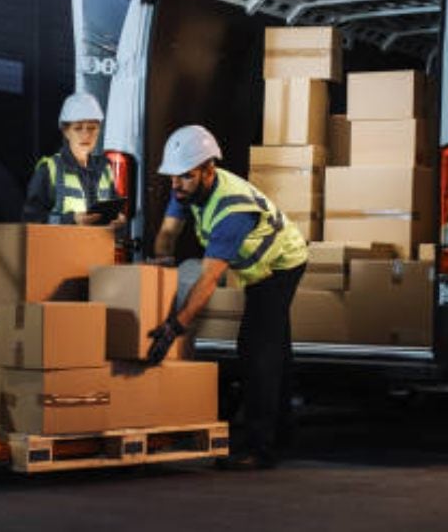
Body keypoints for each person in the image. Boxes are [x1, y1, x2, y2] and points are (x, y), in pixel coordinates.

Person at [145, 125, 308, 470]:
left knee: (256, 350)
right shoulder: (185, 190)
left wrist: (175, 326)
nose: (176, 185)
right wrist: (158, 274)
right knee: (276, 349)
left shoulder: (231, 212)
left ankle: (260, 450)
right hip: (258, 268)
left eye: (185, 177)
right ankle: (283, 436)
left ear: (209, 170)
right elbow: (167, 235)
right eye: (173, 177)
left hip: (280, 266)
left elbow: (208, 280)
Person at [23, 91, 124, 226]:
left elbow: (115, 214)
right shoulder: (48, 169)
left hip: (97, 240)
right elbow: (31, 220)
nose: (86, 135)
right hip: (63, 241)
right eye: (78, 128)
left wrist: (119, 221)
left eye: (92, 128)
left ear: (99, 130)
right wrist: (71, 219)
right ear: (66, 131)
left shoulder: (105, 169)